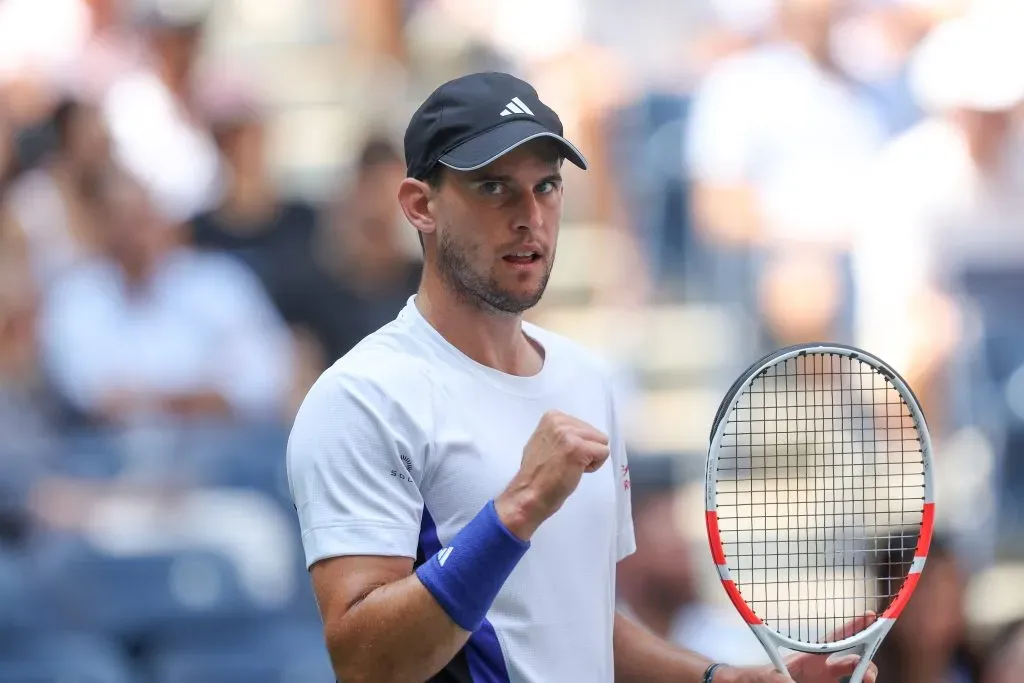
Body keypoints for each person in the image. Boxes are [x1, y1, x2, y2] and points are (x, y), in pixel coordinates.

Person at [286, 71, 878, 683]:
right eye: (494, 188)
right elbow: (364, 663)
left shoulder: (588, 379)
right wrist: (516, 509)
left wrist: (721, 679)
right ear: (420, 206)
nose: (529, 217)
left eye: (546, 186)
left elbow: (576, 620)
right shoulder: (360, 398)